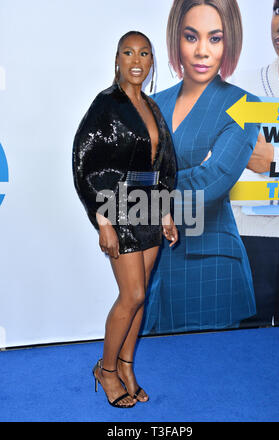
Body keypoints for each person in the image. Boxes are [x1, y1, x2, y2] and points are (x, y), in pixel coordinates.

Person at [141, 0, 261, 335]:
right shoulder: (153, 104)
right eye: (191, 37)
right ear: (176, 39)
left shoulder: (245, 106)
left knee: (207, 381)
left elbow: (213, 181)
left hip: (212, 272)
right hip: (155, 272)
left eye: (215, 38)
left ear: (230, 41)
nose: (202, 51)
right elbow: (125, 173)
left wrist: (147, 191)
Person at [72, 31, 177, 407]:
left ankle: (127, 366)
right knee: (130, 294)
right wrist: (103, 220)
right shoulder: (106, 106)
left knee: (140, 297)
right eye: (128, 52)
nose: (136, 59)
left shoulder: (150, 105)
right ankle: (107, 369)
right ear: (117, 59)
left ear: (151, 63)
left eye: (144, 53)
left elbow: (163, 163)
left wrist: (165, 211)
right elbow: (86, 164)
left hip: (149, 205)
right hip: (119, 207)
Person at [231, 0, 279, 327]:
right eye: (278, 8)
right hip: (250, 238)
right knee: (246, 348)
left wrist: (274, 163)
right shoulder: (243, 86)